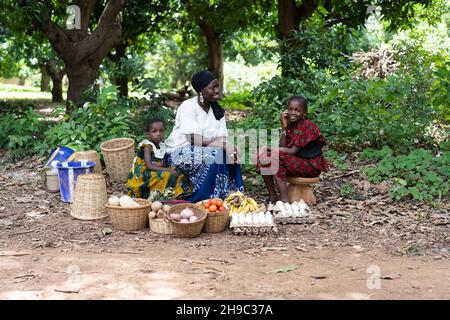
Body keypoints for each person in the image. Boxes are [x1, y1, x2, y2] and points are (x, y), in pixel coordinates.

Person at [165, 70, 244, 202]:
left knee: (230, 154)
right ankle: (204, 198)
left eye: (217, 86)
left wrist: (231, 147)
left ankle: (232, 195)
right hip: (179, 152)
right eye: (212, 87)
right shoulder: (188, 107)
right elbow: (192, 139)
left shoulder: (217, 111)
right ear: (201, 91)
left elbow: (222, 139)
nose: (217, 90)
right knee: (215, 155)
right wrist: (223, 145)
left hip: (206, 148)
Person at [257, 96, 329, 203]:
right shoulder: (291, 125)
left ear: (304, 113)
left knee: (272, 155)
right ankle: (273, 196)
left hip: (310, 166)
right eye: (290, 109)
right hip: (296, 162)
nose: (293, 113)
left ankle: (284, 199)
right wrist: (284, 128)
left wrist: (267, 148)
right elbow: (283, 147)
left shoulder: (307, 126)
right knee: (266, 157)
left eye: (297, 110)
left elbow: (292, 151)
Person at [126, 119, 192, 199]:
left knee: (177, 171)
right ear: (148, 134)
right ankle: (165, 195)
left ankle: (183, 194)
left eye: (161, 131)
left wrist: (163, 166)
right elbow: (149, 166)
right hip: (143, 175)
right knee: (168, 175)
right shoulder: (147, 146)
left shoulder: (162, 146)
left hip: (154, 170)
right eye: (154, 131)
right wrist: (166, 169)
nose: (158, 134)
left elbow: (162, 164)